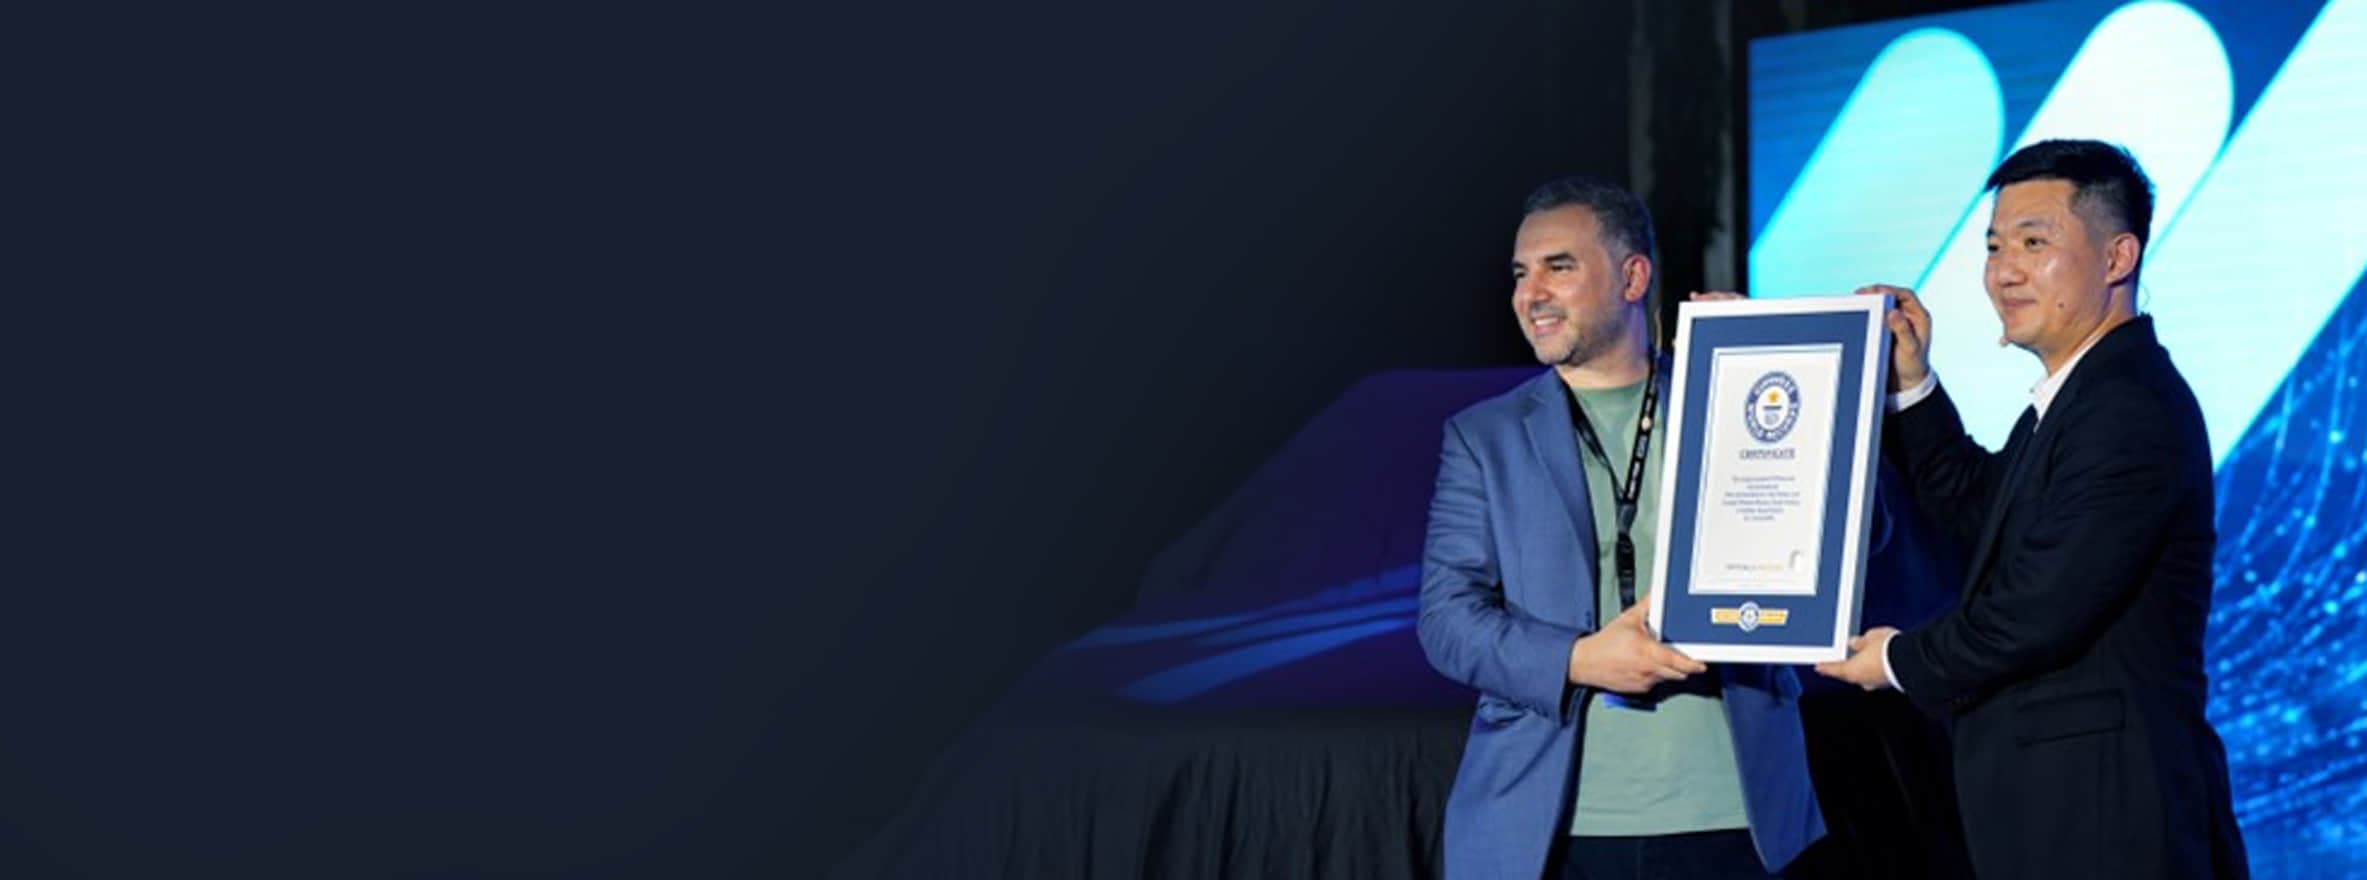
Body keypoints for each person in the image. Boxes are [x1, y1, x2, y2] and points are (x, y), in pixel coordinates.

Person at [1814, 139, 2248, 879]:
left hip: (2107, 820)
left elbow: (2033, 609)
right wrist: (1911, 383)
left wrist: (1890, 659)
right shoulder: (2079, 398)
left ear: (2117, 258)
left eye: (2033, 243)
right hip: (2060, 809)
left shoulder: (2126, 408)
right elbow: (1981, 514)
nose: (2003, 271)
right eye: (1993, 246)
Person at [1418, 176, 1822, 879]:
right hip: (1553, 824)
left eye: (1558, 268)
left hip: (1735, 811)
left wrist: (1767, 364)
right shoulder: (1484, 437)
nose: (1530, 294)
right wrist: (1579, 660)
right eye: (1520, 274)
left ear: (1632, 277)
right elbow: (1446, 619)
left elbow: (1859, 545)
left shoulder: (1730, 398)